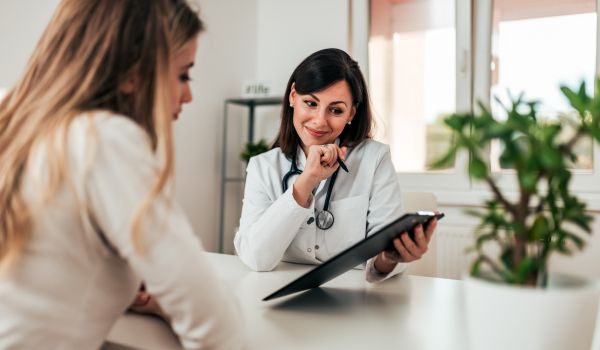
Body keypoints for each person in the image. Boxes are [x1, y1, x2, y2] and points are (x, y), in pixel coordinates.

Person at [0, 0, 242, 348]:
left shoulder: (13, 118)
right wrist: (169, 298)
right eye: (183, 75)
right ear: (131, 74)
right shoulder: (103, 139)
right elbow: (217, 325)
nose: (188, 96)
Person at [234, 48, 438, 281]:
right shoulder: (263, 167)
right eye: (310, 103)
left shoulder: (375, 158)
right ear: (293, 96)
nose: (320, 121)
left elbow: (379, 255)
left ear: (351, 112)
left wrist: (390, 257)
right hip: (278, 290)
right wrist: (306, 182)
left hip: (356, 298)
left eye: (336, 110)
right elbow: (256, 259)